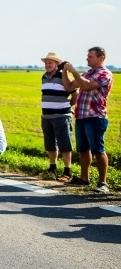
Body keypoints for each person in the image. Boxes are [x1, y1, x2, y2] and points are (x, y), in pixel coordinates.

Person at [61, 47, 113, 193]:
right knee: (83, 149)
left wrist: (73, 71)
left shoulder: (105, 73)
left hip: (96, 117)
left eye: (90, 57)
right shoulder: (88, 73)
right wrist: (64, 72)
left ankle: (103, 183)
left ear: (101, 57)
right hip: (82, 116)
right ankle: (84, 179)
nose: (87, 59)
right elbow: (69, 86)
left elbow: (86, 85)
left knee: (98, 150)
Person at [40, 52, 76, 182]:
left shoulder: (63, 76)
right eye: (46, 63)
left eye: (50, 63)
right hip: (46, 116)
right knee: (50, 144)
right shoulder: (44, 77)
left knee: (64, 144)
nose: (47, 65)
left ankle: (67, 171)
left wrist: (67, 107)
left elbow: (74, 94)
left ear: (56, 64)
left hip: (61, 116)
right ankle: (52, 167)